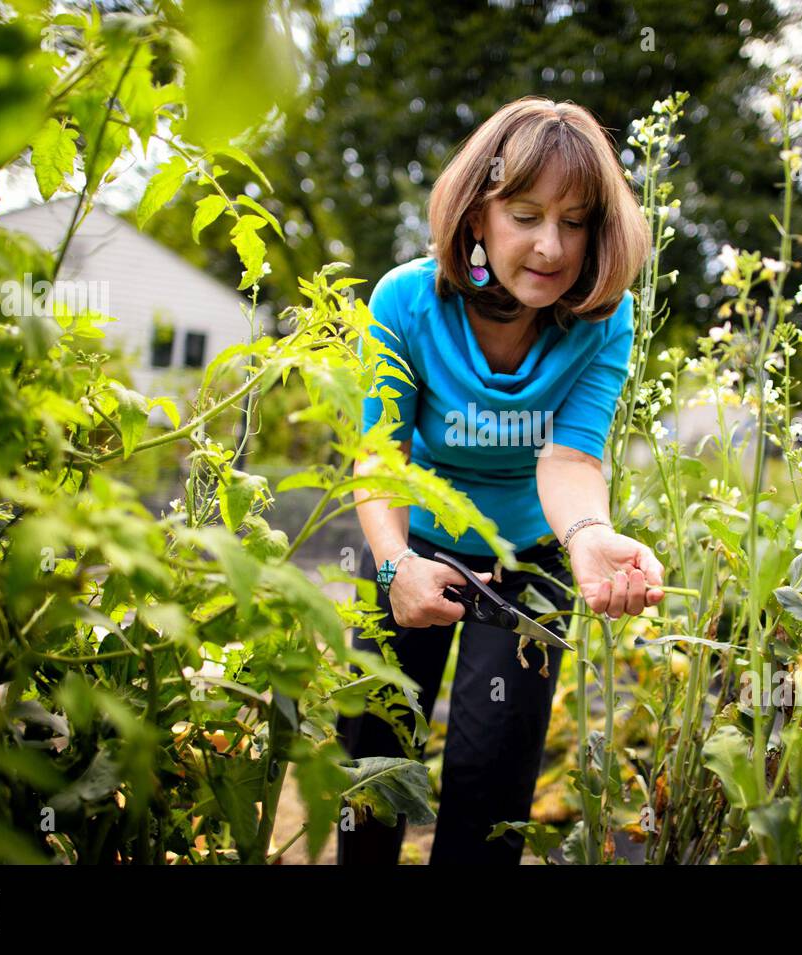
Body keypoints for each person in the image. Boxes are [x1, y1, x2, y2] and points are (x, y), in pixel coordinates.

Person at [336, 95, 665, 865]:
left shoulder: (602, 319)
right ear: (477, 215)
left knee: (492, 778)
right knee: (373, 760)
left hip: (531, 556)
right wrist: (394, 568)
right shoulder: (406, 301)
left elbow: (571, 457)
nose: (551, 246)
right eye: (525, 213)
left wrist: (588, 538)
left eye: (575, 220)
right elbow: (381, 456)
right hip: (412, 541)